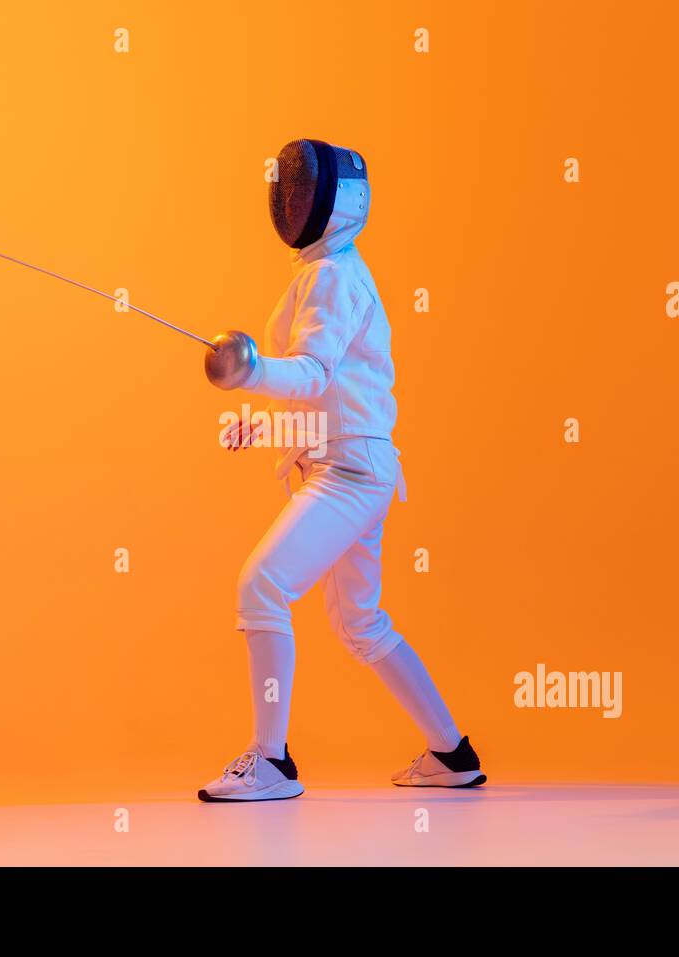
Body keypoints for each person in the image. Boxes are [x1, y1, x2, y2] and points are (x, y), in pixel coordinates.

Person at [197, 139, 484, 802]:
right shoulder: (331, 270)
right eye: (288, 191)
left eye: (302, 191)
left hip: (349, 472)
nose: (291, 201)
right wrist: (264, 423)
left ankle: (272, 761)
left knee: (261, 586)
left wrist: (251, 375)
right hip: (359, 459)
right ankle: (452, 752)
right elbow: (340, 398)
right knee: (361, 621)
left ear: (334, 203)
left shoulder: (332, 276)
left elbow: (314, 373)